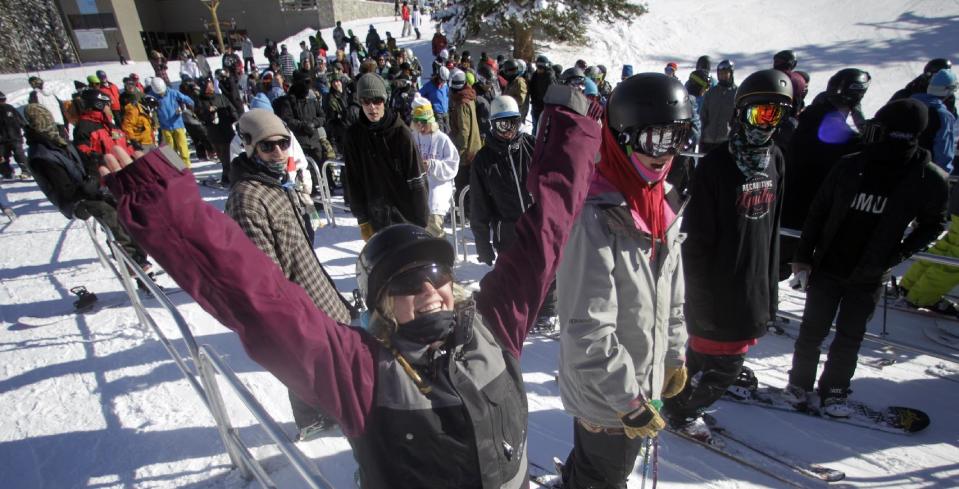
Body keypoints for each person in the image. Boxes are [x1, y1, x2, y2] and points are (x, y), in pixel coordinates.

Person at [98, 83, 600, 489]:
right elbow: (258, 300)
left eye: (436, 275)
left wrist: (573, 137)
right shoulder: (360, 370)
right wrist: (165, 209)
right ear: (380, 305)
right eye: (406, 284)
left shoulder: (492, 327)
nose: (429, 292)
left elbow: (544, 235)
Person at [556, 72, 690, 489]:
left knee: (601, 469)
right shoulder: (594, 215)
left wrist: (673, 355)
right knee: (606, 476)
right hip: (608, 396)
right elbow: (586, 327)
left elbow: (672, 297)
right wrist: (628, 400)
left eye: (677, 138)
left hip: (637, 384)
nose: (664, 153)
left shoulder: (659, 203)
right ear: (623, 136)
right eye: (654, 139)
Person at [786, 98, 948, 417]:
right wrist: (802, 256)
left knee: (850, 336)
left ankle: (834, 389)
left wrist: (900, 251)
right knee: (811, 331)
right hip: (828, 264)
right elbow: (818, 211)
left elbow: (935, 222)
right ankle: (799, 383)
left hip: (870, 273)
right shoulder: (851, 164)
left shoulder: (926, 177)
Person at [661, 69, 792, 441]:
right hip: (719, 290)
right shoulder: (718, 165)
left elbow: (771, 229)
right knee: (725, 365)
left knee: (707, 358)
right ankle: (682, 409)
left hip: (752, 286)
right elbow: (696, 242)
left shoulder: (775, 160)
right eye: (759, 114)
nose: (767, 124)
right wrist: (698, 303)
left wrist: (770, 287)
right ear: (740, 114)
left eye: (776, 114)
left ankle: (677, 388)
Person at [226, 109, 353, 438]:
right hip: (294, 302)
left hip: (313, 285)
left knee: (326, 360)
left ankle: (321, 412)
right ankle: (312, 419)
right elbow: (263, 276)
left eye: (283, 143)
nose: (279, 152)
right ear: (250, 148)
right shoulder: (248, 199)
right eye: (268, 147)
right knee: (308, 363)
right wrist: (293, 315)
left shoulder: (281, 183)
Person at [24, 103, 151, 277]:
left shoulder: (57, 140)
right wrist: (89, 186)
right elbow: (63, 188)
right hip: (74, 200)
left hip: (86, 187)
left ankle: (139, 254)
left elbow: (79, 161)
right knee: (110, 213)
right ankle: (130, 260)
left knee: (123, 202)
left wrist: (94, 167)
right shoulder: (41, 154)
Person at [470, 94, 558, 332]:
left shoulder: (532, 147)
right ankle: (518, 311)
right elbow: (478, 205)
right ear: (493, 124)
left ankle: (547, 311)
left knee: (547, 269)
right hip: (507, 228)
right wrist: (482, 243)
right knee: (515, 272)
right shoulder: (484, 160)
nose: (508, 130)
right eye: (502, 124)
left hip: (538, 221)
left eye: (513, 123)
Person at [781, 68, 870, 280]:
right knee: (784, 261)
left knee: (779, 259)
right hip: (809, 205)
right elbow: (866, 147)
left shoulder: (806, 119)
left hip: (789, 198)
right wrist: (862, 122)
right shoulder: (835, 130)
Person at [345, 74, 429, 239]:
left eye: (377, 101)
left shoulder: (401, 133)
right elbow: (353, 180)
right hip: (376, 217)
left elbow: (417, 180)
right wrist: (362, 219)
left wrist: (421, 222)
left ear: (385, 100)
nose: (372, 107)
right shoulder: (353, 135)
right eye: (366, 101)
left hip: (407, 217)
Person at [273, 71, 328, 197]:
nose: (308, 86)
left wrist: (314, 124)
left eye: (309, 82)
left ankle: (319, 191)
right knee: (303, 172)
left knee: (317, 168)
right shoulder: (288, 101)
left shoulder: (311, 100)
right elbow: (287, 120)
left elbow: (322, 116)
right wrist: (303, 125)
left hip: (314, 139)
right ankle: (309, 194)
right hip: (299, 142)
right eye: (305, 82)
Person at [410, 96, 459, 237]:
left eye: (425, 123)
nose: (422, 127)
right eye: (418, 123)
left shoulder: (442, 139)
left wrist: (432, 165)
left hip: (439, 183)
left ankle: (440, 250)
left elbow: (452, 164)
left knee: (433, 219)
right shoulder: (413, 137)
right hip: (418, 184)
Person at [73, 88, 134, 168]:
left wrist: (132, 148)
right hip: (107, 172)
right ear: (99, 105)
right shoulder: (85, 126)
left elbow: (123, 143)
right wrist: (95, 158)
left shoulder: (111, 126)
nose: (110, 109)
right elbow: (82, 150)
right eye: (108, 105)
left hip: (125, 168)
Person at [912, 69, 958, 173]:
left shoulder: (909, 103)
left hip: (897, 170)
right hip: (924, 173)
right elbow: (943, 153)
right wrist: (944, 176)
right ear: (949, 90)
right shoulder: (943, 115)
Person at [196, 77, 239, 185]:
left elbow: (232, 109)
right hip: (215, 133)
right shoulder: (201, 101)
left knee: (232, 155)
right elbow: (200, 115)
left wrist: (233, 117)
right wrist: (208, 113)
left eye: (210, 84)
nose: (210, 87)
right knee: (224, 157)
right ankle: (228, 178)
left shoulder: (220, 97)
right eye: (207, 85)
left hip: (228, 130)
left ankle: (230, 176)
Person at [448, 69, 481, 201]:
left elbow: (464, 131)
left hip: (467, 152)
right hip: (473, 147)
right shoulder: (468, 96)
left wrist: (459, 152)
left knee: (462, 183)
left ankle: (464, 211)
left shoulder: (462, 102)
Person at [151, 77, 195, 168]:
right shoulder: (152, 97)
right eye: (159, 93)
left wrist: (183, 107)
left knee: (183, 148)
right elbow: (151, 110)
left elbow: (189, 100)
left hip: (177, 124)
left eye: (162, 91)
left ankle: (187, 168)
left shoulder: (173, 93)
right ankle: (176, 168)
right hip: (165, 127)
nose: (161, 94)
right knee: (170, 151)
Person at [699, 59, 737, 153]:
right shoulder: (711, 92)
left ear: (731, 73)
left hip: (725, 140)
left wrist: (733, 135)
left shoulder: (736, 93)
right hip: (708, 139)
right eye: (720, 73)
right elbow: (703, 115)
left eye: (725, 73)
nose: (722, 76)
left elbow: (737, 118)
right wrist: (702, 134)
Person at [0, 91, 28, 179]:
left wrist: (26, 129)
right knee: (2, 157)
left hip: (14, 137)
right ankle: (7, 173)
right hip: (2, 139)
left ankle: (26, 170)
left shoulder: (10, 108)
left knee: (19, 154)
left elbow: (21, 121)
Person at [529, 55, 556, 134]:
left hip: (545, 107)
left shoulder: (549, 77)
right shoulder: (535, 75)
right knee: (535, 127)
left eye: (541, 67)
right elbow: (532, 88)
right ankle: (533, 142)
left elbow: (553, 93)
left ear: (546, 66)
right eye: (538, 66)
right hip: (536, 105)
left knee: (543, 129)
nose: (539, 69)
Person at [419, 67, 451, 133]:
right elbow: (419, 94)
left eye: (444, 81)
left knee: (448, 131)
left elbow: (448, 94)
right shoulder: (429, 85)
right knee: (440, 131)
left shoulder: (445, 85)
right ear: (438, 76)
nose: (443, 82)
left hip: (445, 112)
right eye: (442, 80)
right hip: (437, 113)